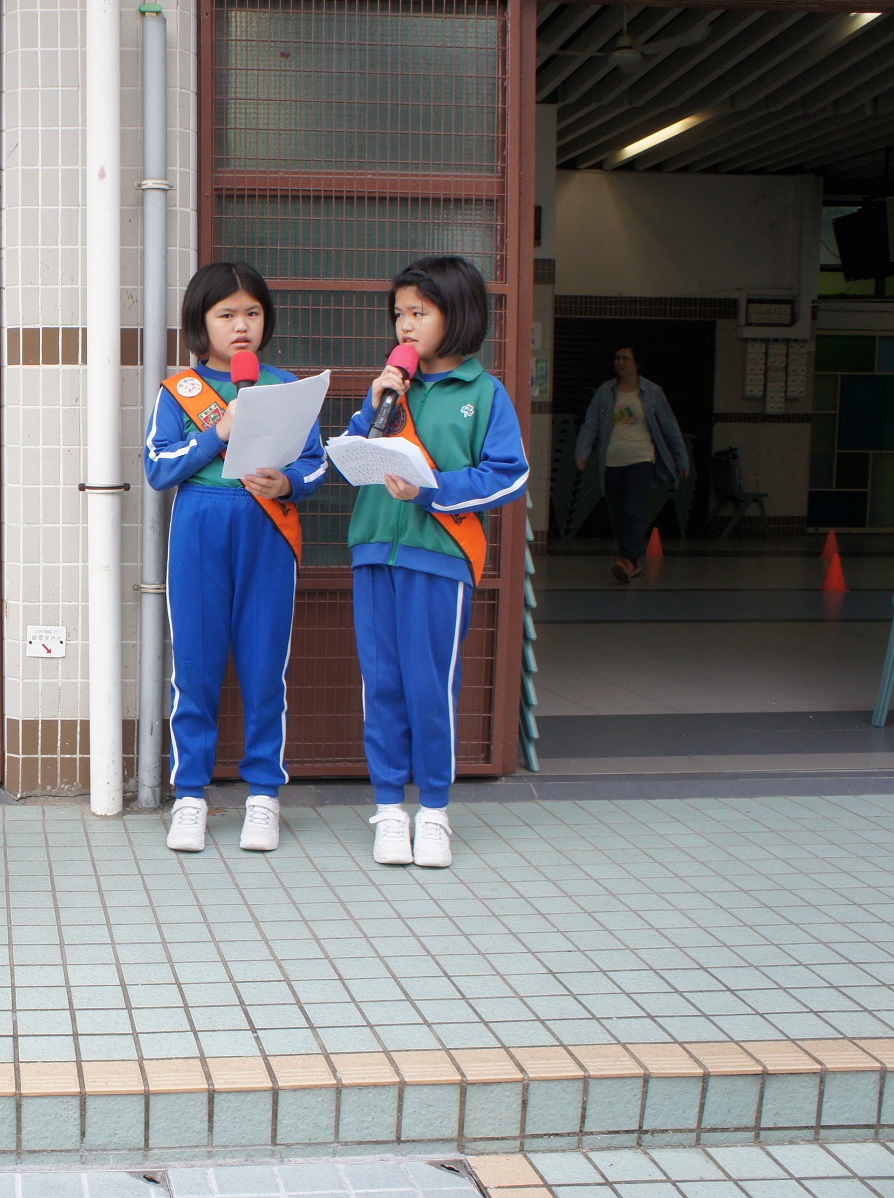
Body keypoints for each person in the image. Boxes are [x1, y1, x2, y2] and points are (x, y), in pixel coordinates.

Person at [348, 256, 529, 869]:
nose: (405, 325)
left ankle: (433, 812)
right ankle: (388, 809)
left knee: (430, 686)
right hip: (375, 550)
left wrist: (432, 490)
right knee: (382, 684)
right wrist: (374, 406)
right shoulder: (389, 388)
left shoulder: (485, 393)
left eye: (419, 313)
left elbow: (508, 476)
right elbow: (358, 453)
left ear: (459, 314)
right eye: (399, 313)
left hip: (441, 559)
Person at [144, 262, 328, 854]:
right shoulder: (180, 390)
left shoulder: (286, 388)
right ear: (201, 323)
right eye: (226, 314)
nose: (241, 325)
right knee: (195, 668)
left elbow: (316, 463)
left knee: (263, 667)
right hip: (199, 528)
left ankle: (264, 796)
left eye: (252, 312)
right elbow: (157, 468)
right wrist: (216, 433)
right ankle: (190, 796)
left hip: (267, 531)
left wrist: (288, 483)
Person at [574, 347, 690, 583]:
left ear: (637, 364)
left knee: (633, 510)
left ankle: (630, 559)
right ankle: (627, 558)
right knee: (617, 512)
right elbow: (591, 424)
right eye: (617, 358)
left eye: (625, 359)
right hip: (612, 461)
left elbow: (670, 428)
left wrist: (682, 460)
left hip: (641, 459)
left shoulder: (652, 392)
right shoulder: (606, 392)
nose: (620, 362)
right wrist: (582, 451)